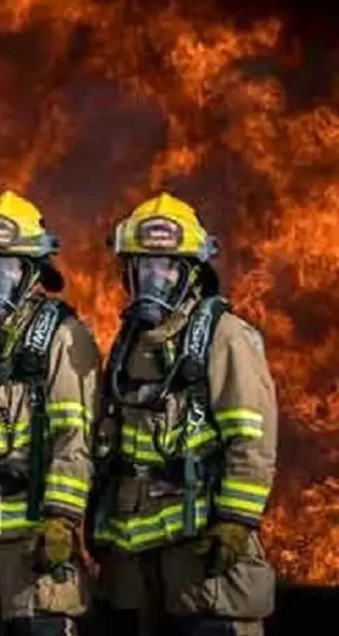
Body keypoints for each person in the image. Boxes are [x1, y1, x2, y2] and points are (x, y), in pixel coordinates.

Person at [91, 193, 277, 636]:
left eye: (168, 267)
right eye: (145, 267)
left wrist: (236, 520)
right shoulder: (128, 342)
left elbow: (251, 438)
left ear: (192, 273)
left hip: (202, 547)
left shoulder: (226, 337)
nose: (155, 278)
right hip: (137, 551)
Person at [0, 191, 101, 636]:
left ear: (31, 271)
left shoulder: (62, 336)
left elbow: (75, 437)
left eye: (8, 267)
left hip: (31, 541)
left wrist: (62, 517)